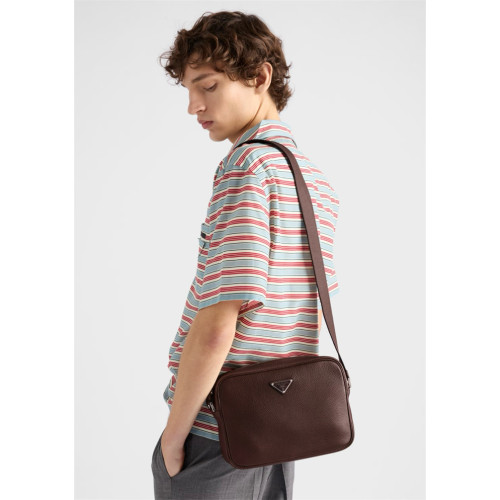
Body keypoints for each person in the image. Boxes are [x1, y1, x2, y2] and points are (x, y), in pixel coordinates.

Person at [152, 10, 341, 500]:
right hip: (280, 429)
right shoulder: (314, 181)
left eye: (208, 86)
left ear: (260, 77)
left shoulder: (247, 165)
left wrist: (175, 435)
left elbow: (221, 318)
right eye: (188, 90)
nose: (193, 106)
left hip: (218, 434)